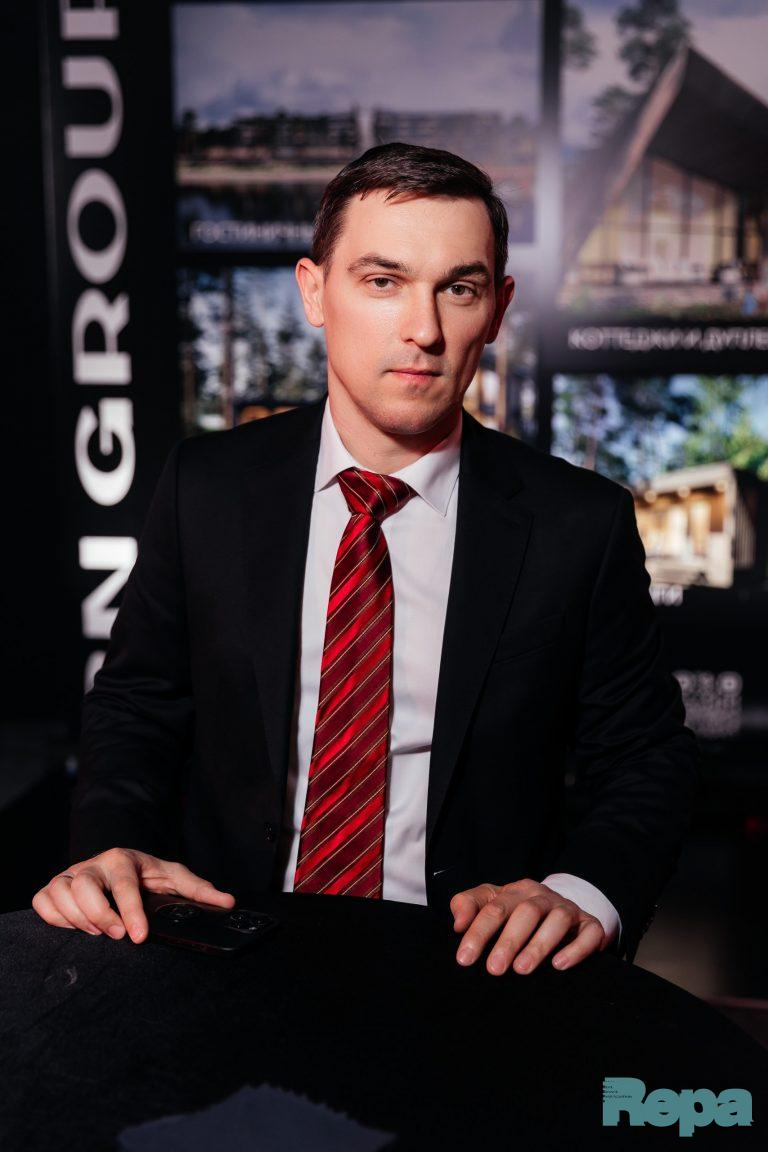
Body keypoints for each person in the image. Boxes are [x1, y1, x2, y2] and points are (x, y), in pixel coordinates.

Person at [32, 142, 701, 977]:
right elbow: (137, 705)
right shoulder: (206, 487)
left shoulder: (578, 524)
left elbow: (644, 758)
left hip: (472, 972)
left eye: (459, 289)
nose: (423, 330)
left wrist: (583, 892)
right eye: (383, 281)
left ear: (498, 309)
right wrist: (114, 848)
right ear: (315, 291)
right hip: (223, 949)